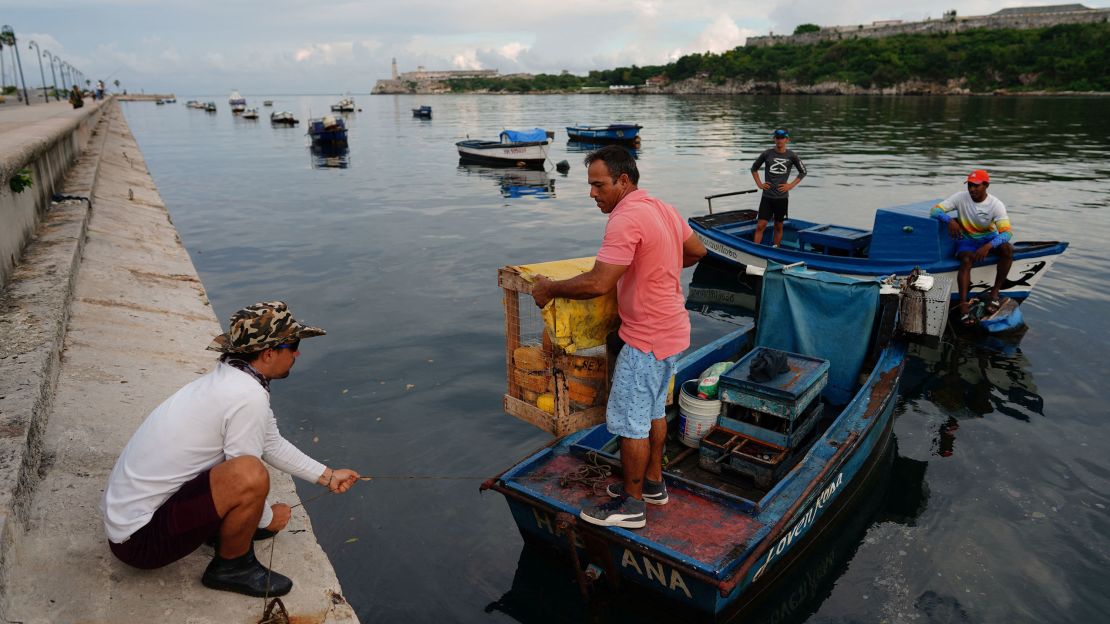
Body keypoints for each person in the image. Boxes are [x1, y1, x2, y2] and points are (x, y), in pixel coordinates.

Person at [100, 301, 360, 597]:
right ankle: (233, 566)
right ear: (269, 353)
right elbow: (244, 474)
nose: (298, 353)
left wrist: (327, 476)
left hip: (134, 524)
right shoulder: (246, 396)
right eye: (294, 344)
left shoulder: (233, 377)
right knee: (252, 473)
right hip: (141, 543)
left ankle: (224, 532)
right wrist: (266, 519)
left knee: (244, 468)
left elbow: (269, 441)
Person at [531, 145, 706, 529]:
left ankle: (631, 506)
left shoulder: (626, 218)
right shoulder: (662, 208)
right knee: (655, 410)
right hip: (673, 328)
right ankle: (654, 484)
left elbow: (598, 282)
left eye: (598, 185)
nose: (592, 193)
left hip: (645, 338)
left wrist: (549, 289)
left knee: (630, 422)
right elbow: (696, 251)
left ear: (623, 181)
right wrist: (656, 266)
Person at [930, 169, 1013, 326]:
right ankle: (963, 304)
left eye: (976, 185)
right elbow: (934, 210)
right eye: (969, 185)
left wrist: (988, 246)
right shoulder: (960, 198)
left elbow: (1007, 233)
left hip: (988, 238)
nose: (972, 189)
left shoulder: (996, 205)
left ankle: (994, 293)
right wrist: (949, 220)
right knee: (966, 259)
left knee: (1008, 250)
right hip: (967, 239)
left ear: (986, 185)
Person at [750, 128, 807, 247]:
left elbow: (803, 172)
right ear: (774, 139)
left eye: (782, 138)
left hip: (781, 198)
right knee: (761, 225)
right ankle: (755, 249)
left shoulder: (792, 156)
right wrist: (760, 184)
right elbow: (754, 169)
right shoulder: (767, 153)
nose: (779, 140)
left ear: (787, 140)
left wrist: (790, 185)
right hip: (767, 197)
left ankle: (776, 250)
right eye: (777, 138)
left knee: (778, 226)